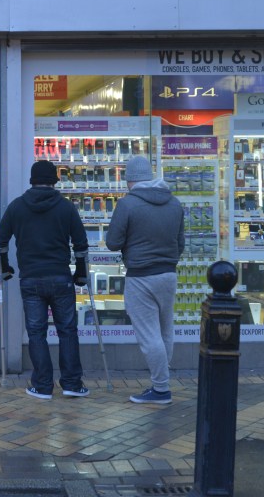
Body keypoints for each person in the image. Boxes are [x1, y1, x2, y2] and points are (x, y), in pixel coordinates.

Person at [0, 160, 89, 400]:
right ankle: (72, 384)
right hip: (60, 277)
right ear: (54, 181)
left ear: (32, 181)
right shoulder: (66, 208)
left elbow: (0, 241)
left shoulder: (17, 207)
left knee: (37, 332)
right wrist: (81, 273)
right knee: (67, 330)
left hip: (31, 278)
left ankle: (42, 385)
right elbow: (81, 244)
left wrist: (6, 267)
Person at [105, 155, 184, 405]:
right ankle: (161, 381)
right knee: (164, 330)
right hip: (168, 274)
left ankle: (161, 388)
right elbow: (180, 244)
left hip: (141, 276)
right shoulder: (174, 203)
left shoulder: (127, 205)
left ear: (130, 179)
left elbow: (112, 242)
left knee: (149, 335)